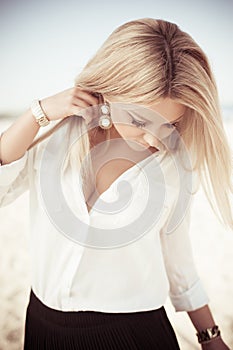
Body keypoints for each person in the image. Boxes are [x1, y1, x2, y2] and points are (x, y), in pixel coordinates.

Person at [0, 17, 232, 350]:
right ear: (109, 92)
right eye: (140, 120)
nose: (155, 138)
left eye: (171, 124)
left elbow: (179, 263)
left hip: (135, 334)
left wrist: (210, 338)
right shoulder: (56, 139)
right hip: (41, 329)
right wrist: (36, 114)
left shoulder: (174, 166)